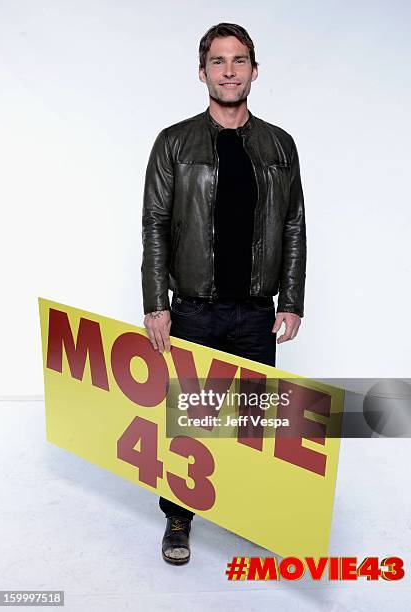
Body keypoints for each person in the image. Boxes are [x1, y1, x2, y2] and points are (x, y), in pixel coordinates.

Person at [141, 22, 306, 565]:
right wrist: (156, 302)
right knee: (189, 422)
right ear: (202, 72)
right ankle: (178, 522)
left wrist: (292, 298)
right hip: (194, 310)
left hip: (257, 311)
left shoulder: (280, 145)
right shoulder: (174, 142)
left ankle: (252, 514)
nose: (229, 71)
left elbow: (293, 225)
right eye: (218, 61)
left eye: (239, 61)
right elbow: (156, 223)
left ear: (254, 71)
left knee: (254, 423)